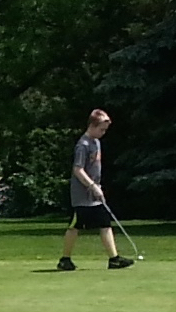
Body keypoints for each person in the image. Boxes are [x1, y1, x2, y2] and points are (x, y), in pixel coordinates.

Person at [56, 109, 133, 271]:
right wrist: (92, 185)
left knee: (105, 223)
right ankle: (65, 259)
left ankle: (114, 259)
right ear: (92, 125)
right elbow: (78, 169)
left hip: (94, 194)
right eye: (101, 129)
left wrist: (97, 187)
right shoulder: (82, 145)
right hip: (82, 196)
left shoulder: (96, 142)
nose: (103, 133)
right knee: (74, 226)